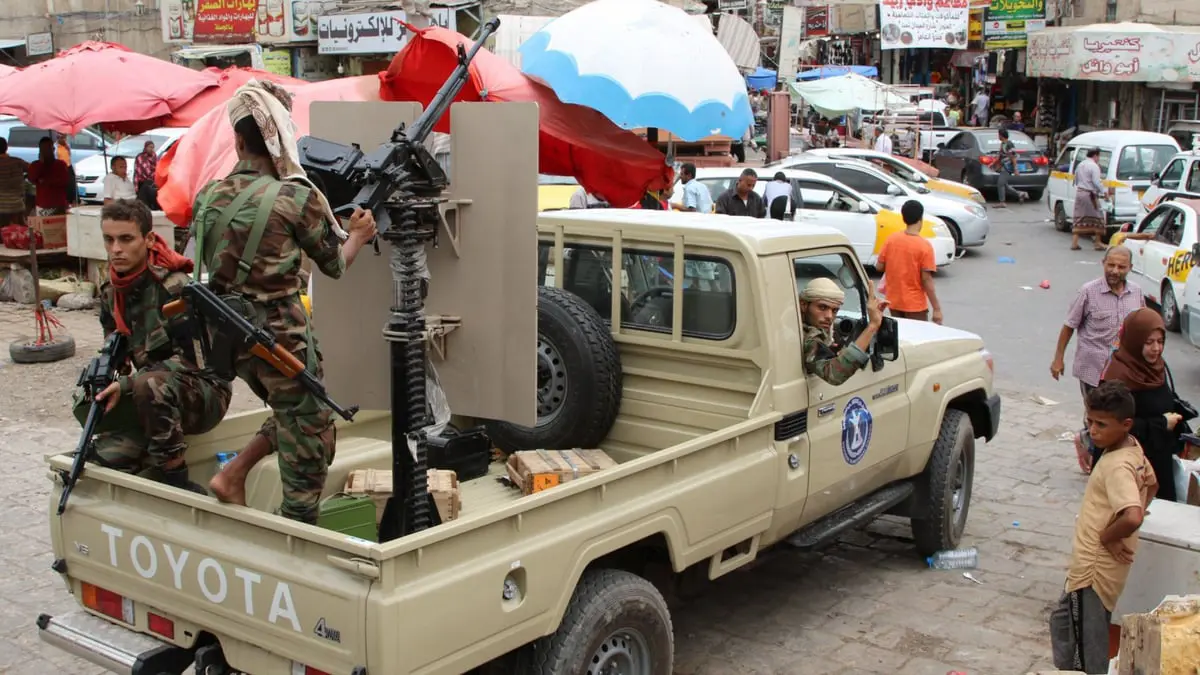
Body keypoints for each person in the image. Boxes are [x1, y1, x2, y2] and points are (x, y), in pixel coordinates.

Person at [196, 80, 378, 525]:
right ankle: (297, 528)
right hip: (280, 340)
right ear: (283, 138)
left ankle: (234, 475)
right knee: (312, 435)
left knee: (292, 410)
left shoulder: (208, 196)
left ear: (238, 140)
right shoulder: (297, 197)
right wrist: (357, 235)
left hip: (229, 337)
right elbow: (334, 265)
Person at [91, 199, 231, 494]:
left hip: (204, 392)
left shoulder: (174, 288)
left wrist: (128, 385)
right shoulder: (112, 292)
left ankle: (175, 477)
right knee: (109, 457)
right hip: (153, 395)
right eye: (109, 239)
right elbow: (114, 349)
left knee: (148, 384)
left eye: (126, 239)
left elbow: (197, 360)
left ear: (149, 239)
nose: (116, 249)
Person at [1049, 381, 1156, 674]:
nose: (1093, 431)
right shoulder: (1132, 448)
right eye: (1089, 422)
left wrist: (1110, 537)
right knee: (1061, 620)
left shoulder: (1117, 466)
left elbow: (1132, 516)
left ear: (1125, 424)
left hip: (1092, 573)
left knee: (1087, 650)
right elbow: (1152, 483)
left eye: (1101, 424)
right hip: (1091, 570)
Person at [1050, 246, 1145, 473]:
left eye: (1121, 267)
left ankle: (1097, 447)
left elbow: (1141, 326)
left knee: (1119, 413)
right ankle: (1096, 455)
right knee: (1098, 415)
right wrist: (1058, 359)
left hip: (1124, 368)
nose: (1114, 270)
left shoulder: (1137, 293)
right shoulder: (1088, 292)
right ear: (1103, 263)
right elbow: (1068, 327)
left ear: (1130, 268)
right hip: (1092, 367)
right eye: (1110, 265)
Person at [1099, 309, 1187, 501]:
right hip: (1128, 470)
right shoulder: (1118, 378)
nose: (1156, 348)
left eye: (1160, 341)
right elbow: (1113, 426)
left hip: (1158, 464)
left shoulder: (1156, 367)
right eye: (1149, 342)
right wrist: (1161, 424)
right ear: (1134, 341)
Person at [800, 278, 884, 386]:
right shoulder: (806, 338)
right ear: (803, 305)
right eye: (822, 307)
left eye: (834, 310)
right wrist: (873, 325)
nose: (829, 316)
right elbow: (835, 374)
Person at [876, 200, 943, 324]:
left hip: (893, 302)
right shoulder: (924, 246)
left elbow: (879, 266)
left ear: (903, 218)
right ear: (920, 218)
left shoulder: (891, 239)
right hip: (915, 305)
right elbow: (926, 279)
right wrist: (937, 308)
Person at [1071, 148, 1107, 251]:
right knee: (1098, 218)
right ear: (1095, 155)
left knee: (1079, 217)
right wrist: (1103, 192)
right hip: (1089, 194)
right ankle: (1098, 242)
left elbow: (1076, 180)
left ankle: (1074, 242)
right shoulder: (1094, 166)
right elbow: (1096, 181)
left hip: (1080, 192)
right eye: (1098, 156)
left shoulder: (1080, 165)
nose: (1098, 159)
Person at [28, 137, 70, 216]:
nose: (46, 151)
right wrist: (41, 163)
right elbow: (32, 178)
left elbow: (65, 181)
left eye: (48, 148)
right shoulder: (35, 165)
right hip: (42, 205)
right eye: (43, 149)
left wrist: (47, 181)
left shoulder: (60, 165)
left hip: (58, 204)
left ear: (53, 149)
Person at [994, 128, 1029, 205]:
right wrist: (993, 164)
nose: (998, 136)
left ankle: (1002, 202)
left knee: (1000, 183)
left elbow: (1013, 157)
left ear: (1001, 135)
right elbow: (999, 156)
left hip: (1007, 167)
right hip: (1003, 166)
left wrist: (1015, 168)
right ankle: (1020, 194)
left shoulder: (1009, 144)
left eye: (999, 135)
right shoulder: (1002, 144)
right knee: (1005, 186)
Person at [0, 138, 28, 226]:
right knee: (18, 234)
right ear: (6, 147)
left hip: (1, 208)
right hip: (17, 205)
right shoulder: (17, 161)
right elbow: (33, 169)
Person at [134, 140, 159, 209]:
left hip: (151, 182)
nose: (151, 149)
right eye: (150, 147)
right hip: (142, 182)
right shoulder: (141, 157)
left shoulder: (154, 156)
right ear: (145, 147)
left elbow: (158, 167)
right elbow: (146, 171)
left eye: (153, 147)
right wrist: (155, 172)